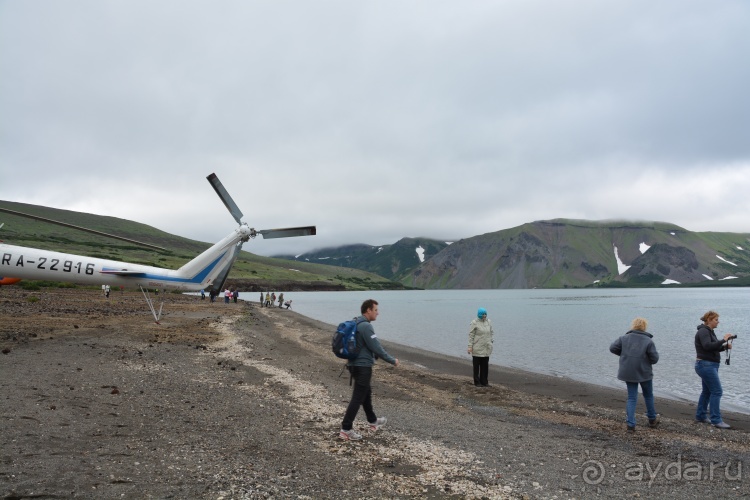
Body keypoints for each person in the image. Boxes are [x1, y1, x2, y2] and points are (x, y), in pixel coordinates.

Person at [340, 299, 399, 441]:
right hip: (363, 367)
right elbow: (376, 347)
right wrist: (392, 360)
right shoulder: (366, 326)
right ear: (368, 310)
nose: (378, 313)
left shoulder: (357, 322)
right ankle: (346, 429)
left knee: (366, 393)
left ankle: (373, 421)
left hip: (354, 365)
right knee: (358, 397)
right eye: (376, 310)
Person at [609, 317, 659, 432]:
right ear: (644, 327)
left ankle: (631, 424)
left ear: (633, 326)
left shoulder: (624, 338)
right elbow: (655, 359)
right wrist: (645, 360)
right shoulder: (648, 341)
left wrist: (624, 355)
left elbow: (612, 348)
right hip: (644, 372)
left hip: (628, 371)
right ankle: (652, 419)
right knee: (648, 395)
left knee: (632, 397)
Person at [694, 310, 734, 429]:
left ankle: (701, 415)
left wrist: (724, 346)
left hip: (708, 365)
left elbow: (712, 348)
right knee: (717, 391)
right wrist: (723, 340)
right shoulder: (703, 331)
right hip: (705, 365)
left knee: (707, 391)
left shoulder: (709, 332)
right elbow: (707, 346)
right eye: (716, 320)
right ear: (709, 320)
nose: (718, 322)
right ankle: (716, 419)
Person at [467, 307, 494, 387]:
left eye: (485, 314)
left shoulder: (489, 322)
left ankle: (484, 381)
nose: (484, 316)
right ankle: (477, 382)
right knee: (476, 366)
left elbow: (491, 332)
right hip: (477, 347)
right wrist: (470, 346)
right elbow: (471, 335)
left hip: (486, 347)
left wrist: (491, 341)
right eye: (483, 314)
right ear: (479, 314)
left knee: (485, 366)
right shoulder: (474, 322)